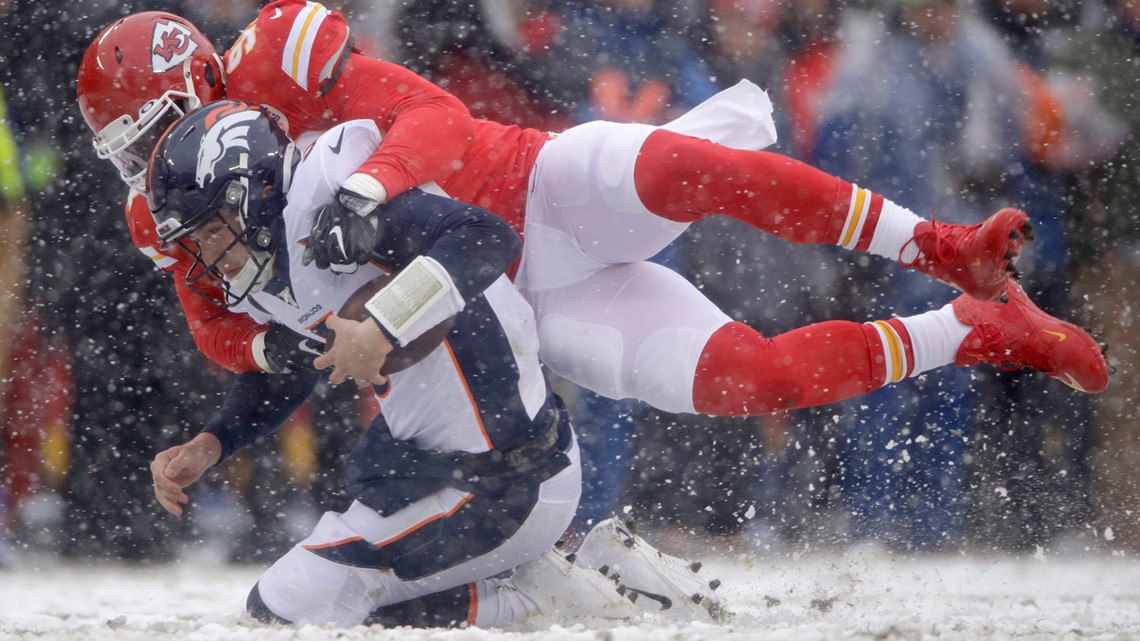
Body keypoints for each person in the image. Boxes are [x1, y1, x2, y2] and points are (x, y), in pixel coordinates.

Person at [216, 0, 1109, 411]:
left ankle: (943, 247)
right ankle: (968, 331)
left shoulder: (314, 89)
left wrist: (372, 186)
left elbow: (438, 119)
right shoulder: (200, 204)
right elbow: (212, 316)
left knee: (696, 169)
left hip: (543, 185)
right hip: (526, 298)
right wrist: (264, 354)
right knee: (754, 380)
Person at [145, 99, 727, 627]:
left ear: (253, 196)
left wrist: (384, 325)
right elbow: (299, 360)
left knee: (286, 610)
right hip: (447, 474)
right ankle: (531, 585)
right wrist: (213, 443)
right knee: (304, 605)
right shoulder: (282, 252)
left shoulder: (337, 207)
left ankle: (536, 600)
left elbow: (485, 236)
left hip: (508, 481)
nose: (207, 257)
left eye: (213, 230)